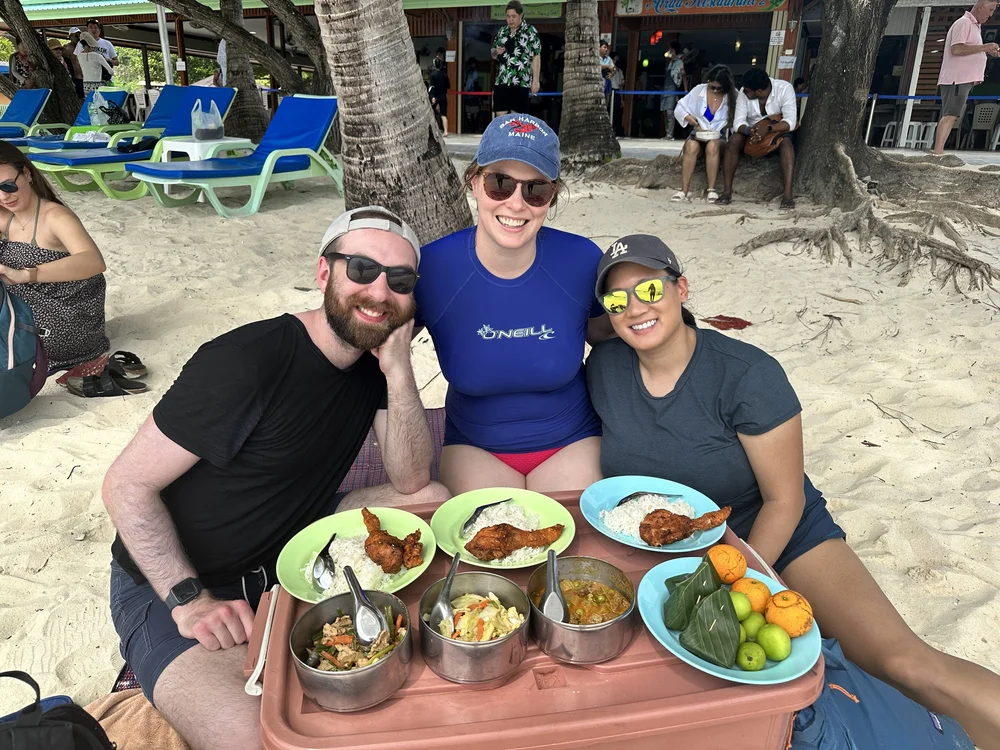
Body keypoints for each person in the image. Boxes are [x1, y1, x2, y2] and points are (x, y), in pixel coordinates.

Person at [586, 234, 1000, 750]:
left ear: (681, 288)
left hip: (776, 535)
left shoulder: (747, 375)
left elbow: (786, 499)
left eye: (650, 288)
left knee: (903, 663)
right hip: (669, 547)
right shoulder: (603, 368)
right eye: (618, 299)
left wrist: (738, 576)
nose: (636, 308)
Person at [102, 206, 449, 750]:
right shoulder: (246, 360)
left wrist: (399, 370)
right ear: (323, 272)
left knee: (432, 497)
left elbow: (409, 482)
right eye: (361, 269)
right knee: (255, 737)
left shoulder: (373, 360)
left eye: (399, 281)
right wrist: (189, 600)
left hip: (293, 539)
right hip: (182, 578)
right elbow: (125, 485)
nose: (379, 292)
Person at [413, 114, 614, 495]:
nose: (517, 204)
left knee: (573, 547)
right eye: (500, 183)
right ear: (474, 182)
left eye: (536, 189)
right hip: (475, 447)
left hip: (573, 440)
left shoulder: (582, 260)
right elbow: (377, 343)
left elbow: (616, 337)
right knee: (482, 547)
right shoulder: (432, 268)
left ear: (552, 196)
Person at [0, 142, 109, 374]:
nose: (3, 196)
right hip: (28, 306)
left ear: (27, 173)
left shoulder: (55, 217)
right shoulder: (6, 217)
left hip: (67, 316)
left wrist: (25, 275)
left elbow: (94, 261)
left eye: (9, 185)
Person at [719, 67, 798, 210]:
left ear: (759, 91)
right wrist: (750, 131)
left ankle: (787, 196)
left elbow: (790, 122)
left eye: (748, 91)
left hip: (775, 131)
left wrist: (768, 129)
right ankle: (726, 192)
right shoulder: (745, 92)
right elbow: (738, 123)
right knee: (734, 141)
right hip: (751, 132)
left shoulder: (784, 89)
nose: (744, 92)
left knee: (787, 143)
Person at [932, 0, 1000, 155]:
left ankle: (939, 150)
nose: (991, 15)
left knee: (952, 114)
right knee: (950, 114)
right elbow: (956, 49)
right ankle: (938, 151)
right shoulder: (964, 23)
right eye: (990, 10)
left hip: (964, 78)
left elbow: (969, 49)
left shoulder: (975, 26)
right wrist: (985, 47)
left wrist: (987, 52)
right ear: (980, 7)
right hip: (957, 78)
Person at [672, 64, 736, 203]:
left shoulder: (733, 96)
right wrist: (691, 120)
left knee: (712, 145)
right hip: (699, 134)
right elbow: (679, 108)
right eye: (712, 86)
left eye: (719, 88)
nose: (715, 90)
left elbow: (738, 123)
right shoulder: (698, 90)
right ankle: (684, 190)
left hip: (719, 137)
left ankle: (711, 190)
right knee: (690, 146)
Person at [491, 0, 542, 117]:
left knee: (517, 121)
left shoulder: (530, 32)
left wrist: (535, 80)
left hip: (521, 81)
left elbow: (536, 56)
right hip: (502, 80)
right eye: (508, 16)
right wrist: (496, 52)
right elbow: (493, 54)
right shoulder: (502, 31)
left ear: (521, 15)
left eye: (513, 16)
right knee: (501, 120)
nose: (510, 20)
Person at [660, 43, 685, 140]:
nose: (668, 51)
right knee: (665, 112)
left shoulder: (680, 62)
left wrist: (686, 89)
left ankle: (670, 134)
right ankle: (667, 133)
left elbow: (683, 76)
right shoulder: (670, 62)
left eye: (669, 49)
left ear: (673, 50)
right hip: (665, 89)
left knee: (670, 111)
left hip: (673, 89)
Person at [429, 56, 451, 136]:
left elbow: (432, 87)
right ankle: (446, 131)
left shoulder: (433, 75)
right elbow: (448, 86)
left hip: (436, 95)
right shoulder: (444, 75)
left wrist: (432, 97)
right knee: (443, 114)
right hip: (443, 96)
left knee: (431, 112)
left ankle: (434, 129)